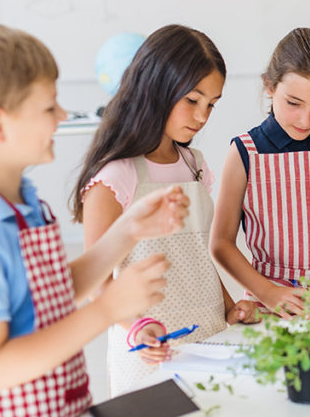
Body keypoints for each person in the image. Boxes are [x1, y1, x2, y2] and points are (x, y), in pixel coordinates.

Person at [0, 25, 182, 417]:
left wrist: (128, 229)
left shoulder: (22, 200)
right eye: (48, 106)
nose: (63, 115)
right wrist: (106, 309)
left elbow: (52, 292)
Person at [72, 24, 257, 395]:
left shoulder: (196, 164)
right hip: (147, 348)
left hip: (210, 339)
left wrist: (228, 306)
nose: (202, 116)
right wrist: (138, 327)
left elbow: (198, 255)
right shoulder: (114, 176)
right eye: (192, 100)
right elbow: (96, 283)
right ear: (154, 87)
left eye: (211, 104)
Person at [210, 27, 310, 318]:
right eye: (294, 103)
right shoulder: (246, 152)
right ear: (269, 86)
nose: (306, 119)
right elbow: (221, 244)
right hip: (271, 302)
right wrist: (268, 293)